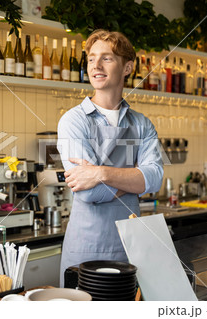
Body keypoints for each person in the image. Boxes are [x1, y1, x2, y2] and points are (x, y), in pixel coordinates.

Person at [56, 29, 164, 287]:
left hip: (130, 248)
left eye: (107, 58)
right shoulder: (73, 121)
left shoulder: (141, 124)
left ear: (127, 67)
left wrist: (100, 173)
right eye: (92, 58)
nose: (96, 65)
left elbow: (155, 179)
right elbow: (89, 194)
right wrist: (133, 177)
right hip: (85, 249)